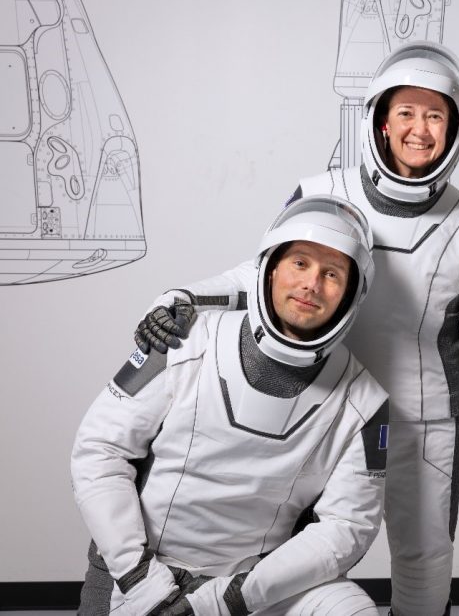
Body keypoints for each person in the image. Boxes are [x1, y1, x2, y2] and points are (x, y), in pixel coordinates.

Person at [132, 42, 459, 616]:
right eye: (406, 112)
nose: (419, 129)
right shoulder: (321, 192)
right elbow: (260, 277)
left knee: (424, 564)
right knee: (304, 559)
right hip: (322, 410)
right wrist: (178, 298)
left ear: (454, 129)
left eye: (435, 115)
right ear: (379, 118)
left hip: (425, 426)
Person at [72, 195, 388, 615]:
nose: (312, 284)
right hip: (141, 572)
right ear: (270, 270)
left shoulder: (365, 402)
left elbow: (346, 528)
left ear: (349, 295)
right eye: (300, 263)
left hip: (252, 585)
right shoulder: (182, 340)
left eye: (332, 274)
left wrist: (230, 598)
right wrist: (137, 577)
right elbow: (99, 451)